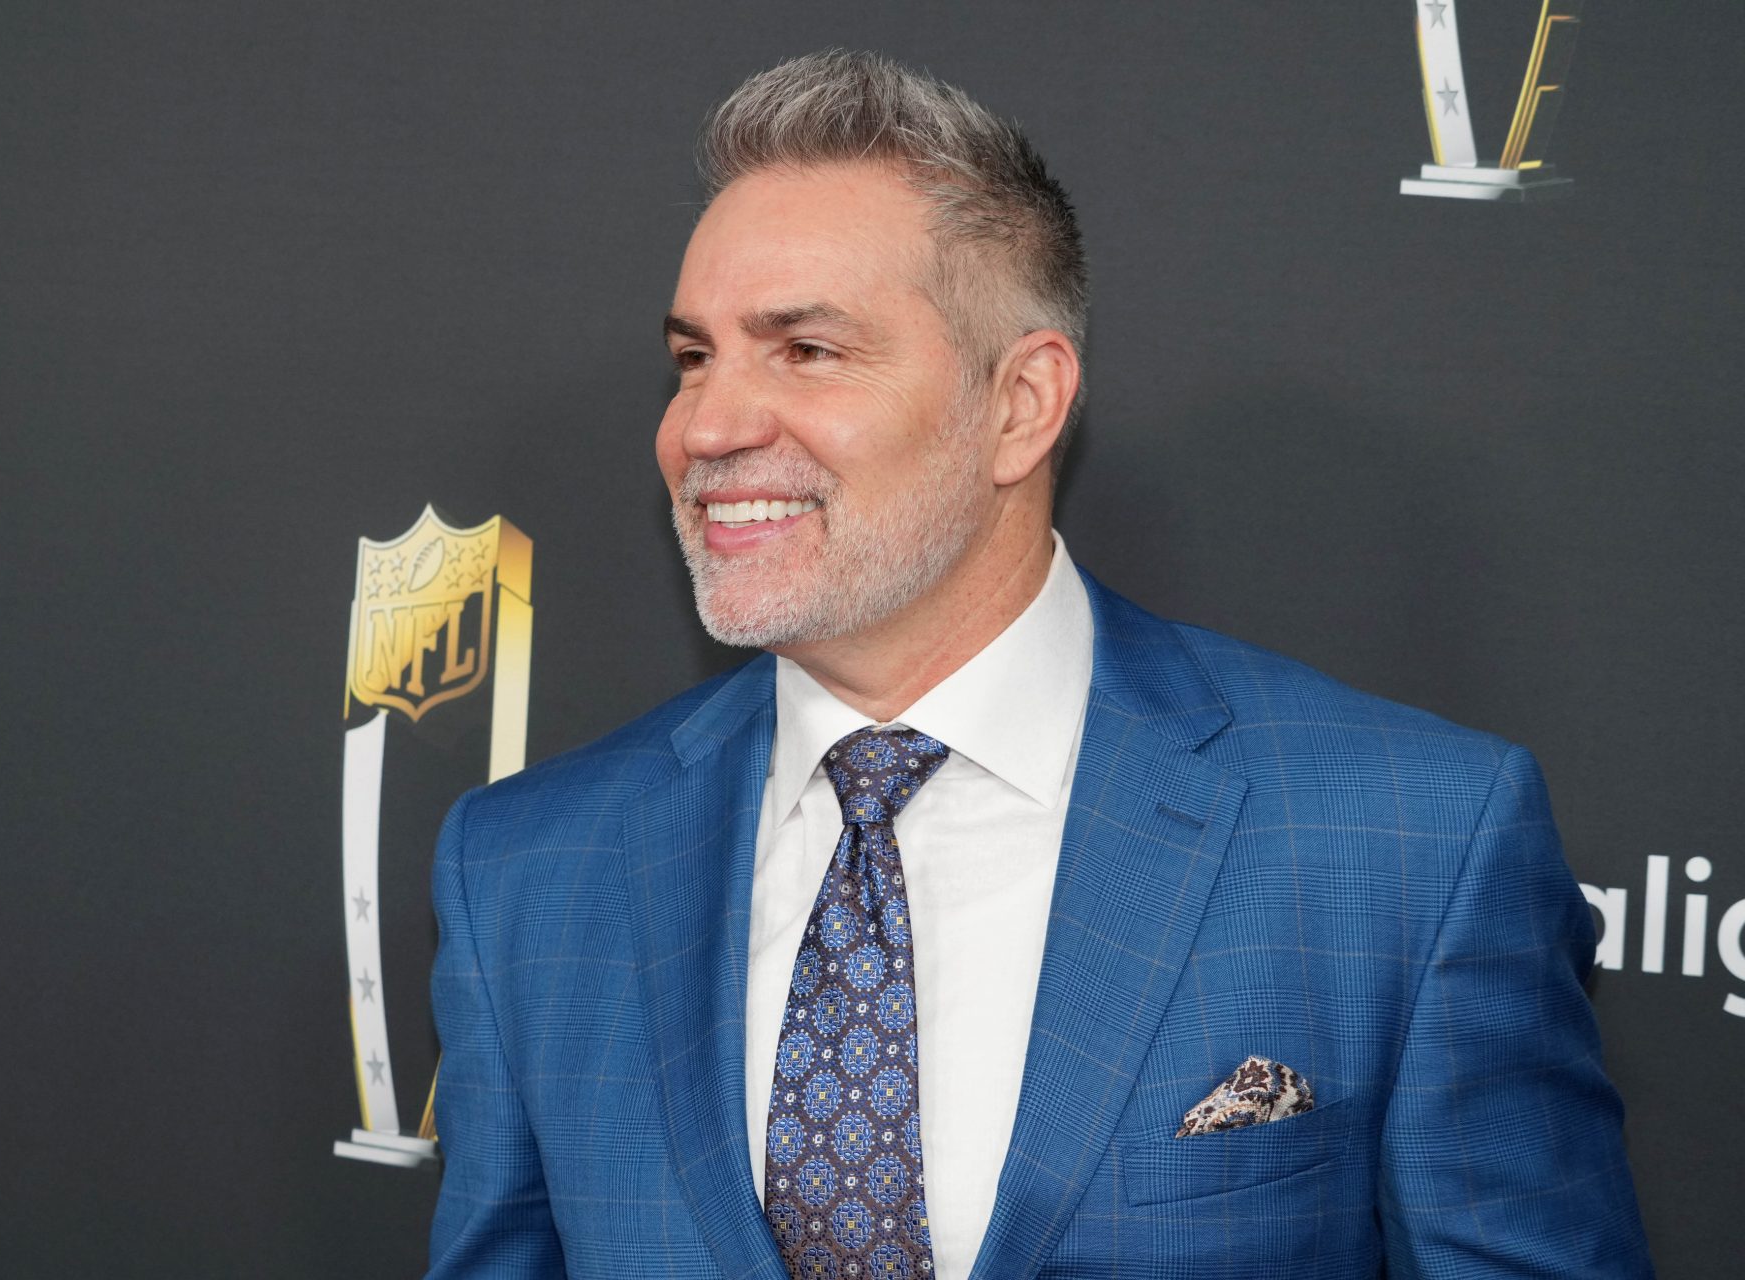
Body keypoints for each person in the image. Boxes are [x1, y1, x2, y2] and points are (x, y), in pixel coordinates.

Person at [425, 50, 1650, 1279]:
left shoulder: (1404, 843)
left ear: (1021, 404)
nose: (707, 426)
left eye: (804, 350)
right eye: (695, 356)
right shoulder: (529, 870)